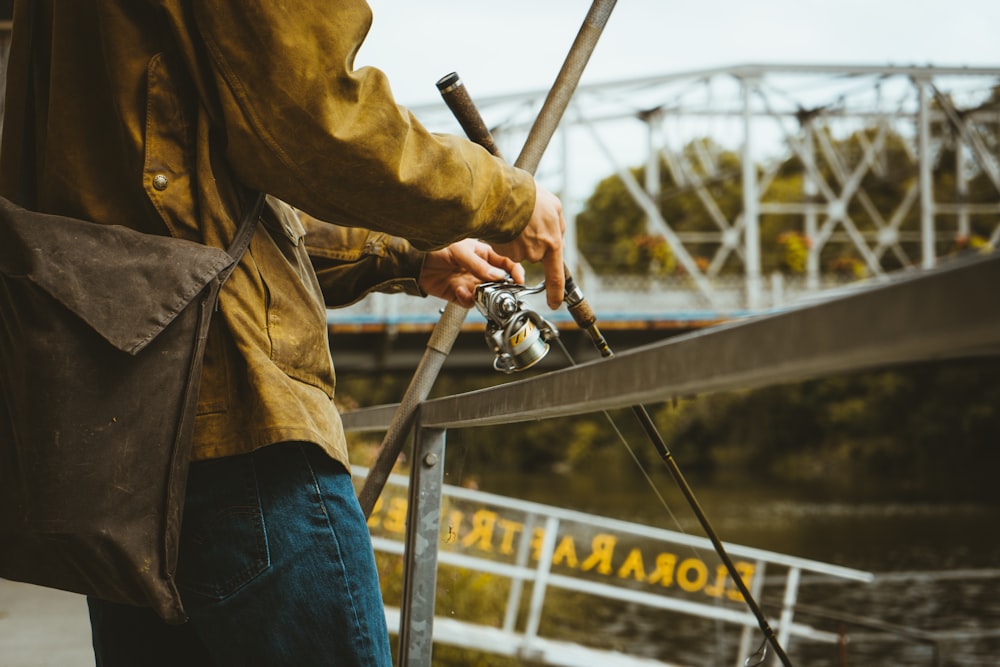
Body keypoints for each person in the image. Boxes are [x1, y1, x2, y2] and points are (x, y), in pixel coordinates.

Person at [0, 1, 565, 665]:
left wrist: (408, 255)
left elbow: (191, 203)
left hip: (126, 446)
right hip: (230, 413)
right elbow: (317, 118)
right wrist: (510, 200)